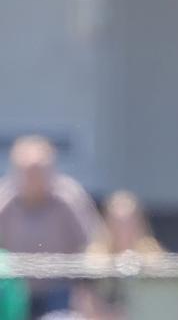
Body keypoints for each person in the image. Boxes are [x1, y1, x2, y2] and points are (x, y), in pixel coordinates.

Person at [0, 135, 102, 319]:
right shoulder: (4, 199)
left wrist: (88, 291)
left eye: (39, 171)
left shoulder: (69, 198)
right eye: (27, 171)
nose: (33, 178)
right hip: (12, 290)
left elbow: (94, 244)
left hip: (60, 290)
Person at [71, 190, 164, 320]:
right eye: (118, 224)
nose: (124, 230)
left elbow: (161, 303)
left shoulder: (153, 258)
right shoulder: (94, 259)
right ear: (107, 224)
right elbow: (84, 303)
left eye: (129, 224)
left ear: (140, 224)